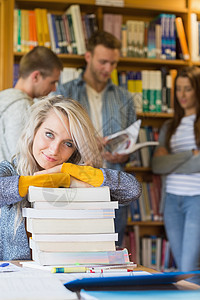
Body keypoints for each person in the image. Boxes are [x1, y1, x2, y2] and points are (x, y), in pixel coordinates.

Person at [0, 95, 141, 261]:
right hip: (20, 279)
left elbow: (132, 189)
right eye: (49, 134)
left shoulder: (77, 174)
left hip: (68, 274)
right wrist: (51, 179)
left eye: (68, 143)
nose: (54, 150)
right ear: (34, 130)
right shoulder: (10, 170)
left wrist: (68, 172)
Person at [54, 31, 137, 246]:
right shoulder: (65, 92)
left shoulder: (124, 98)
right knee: (73, 247)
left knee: (112, 247)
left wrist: (124, 154)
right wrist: (87, 142)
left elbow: (131, 141)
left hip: (112, 185)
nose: (108, 69)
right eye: (103, 62)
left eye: (113, 63)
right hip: (75, 185)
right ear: (88, 57)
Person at [152, 66, 200, 284]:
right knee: (182, 268)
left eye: (187, 89)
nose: (182, 95)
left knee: (190, 267)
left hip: (196, 199)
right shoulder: (168, 127)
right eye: (178, 89)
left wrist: (171, 161)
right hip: (171, 201)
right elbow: (158, 165)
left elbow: (169, 163)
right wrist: (191, 154)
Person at [0, 46, 63, 162]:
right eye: (52, 82)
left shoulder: (4, 97)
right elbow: (21, 159)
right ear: (36, 76)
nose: (54, 88)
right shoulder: (20, 107)